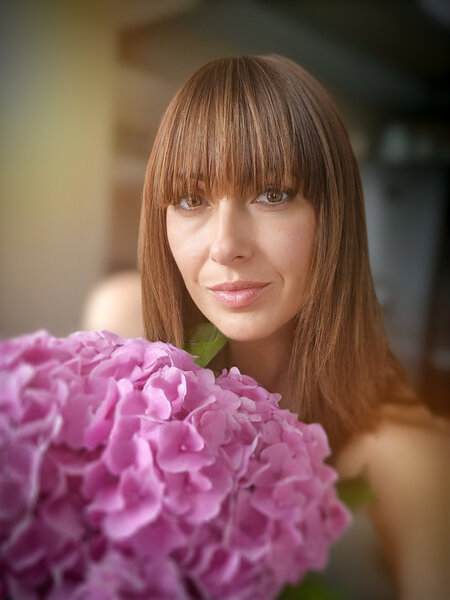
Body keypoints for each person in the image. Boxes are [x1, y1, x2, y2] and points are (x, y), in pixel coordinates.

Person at [138, 55, 449, 599]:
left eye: (272, 194)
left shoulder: (411, 464)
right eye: (191, 200)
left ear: (333, 216)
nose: (225, 245)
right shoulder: (139, 393)